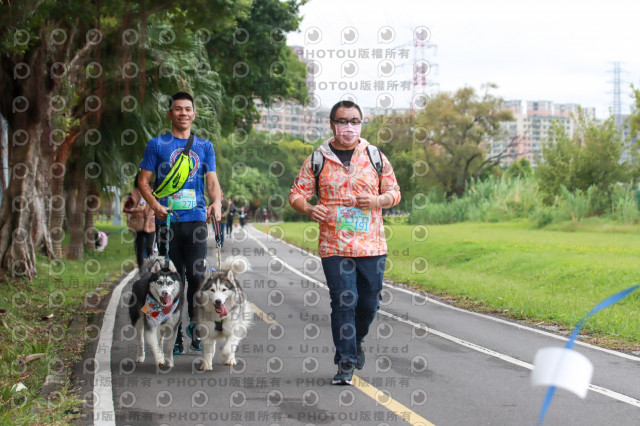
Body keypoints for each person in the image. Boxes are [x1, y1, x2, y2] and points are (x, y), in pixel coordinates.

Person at [289, 100, 401, 385]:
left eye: (354, 121)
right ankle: (346, 362)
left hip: (371, 245)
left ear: (361, 123)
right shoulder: (318, 158)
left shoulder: (375, 156)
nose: (348, 127)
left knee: (368, 303)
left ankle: (357, 339)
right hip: (334, 245)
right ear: (332, 124)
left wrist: (377, 200)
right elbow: (296, 194)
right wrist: (309, 208)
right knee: (343, 301)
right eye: (342, 121)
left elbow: (394, 192)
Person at [138, 91, 222, 354]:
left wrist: (216, 202)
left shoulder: (205, 146)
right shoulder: (157, 144)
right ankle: (172, 334)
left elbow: (212, 181)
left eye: (188, 109)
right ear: (170, 114)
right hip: (168, 222)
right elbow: (143, 182)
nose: (183, 113)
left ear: (193, 114)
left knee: (197, 276)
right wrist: (155, 207)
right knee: (173, 279)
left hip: (196, 220)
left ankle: (195, 327)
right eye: (178, 109)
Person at [125, 171, 156, 267]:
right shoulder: (132, 194)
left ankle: (152, 268)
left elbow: (154, 208)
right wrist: (135, 210)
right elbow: (126, 208)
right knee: (139, 248)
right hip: (138, 224)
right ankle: (141, 270)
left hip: (150, 224)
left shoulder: (153, 193)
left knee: (149, 247)